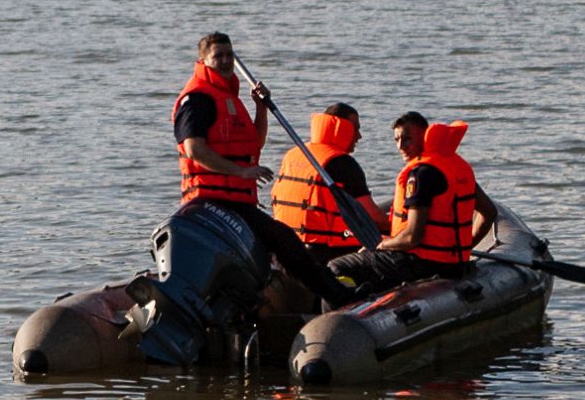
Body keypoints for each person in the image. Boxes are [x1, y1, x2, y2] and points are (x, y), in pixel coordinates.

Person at [172, 32, 348, 306]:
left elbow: (255, 143)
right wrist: (239, 172)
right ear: (203, 60)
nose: (226, 60)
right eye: (218, 56)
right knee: (283, 239)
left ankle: (320, 295)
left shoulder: (227, 95)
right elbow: (194, 148)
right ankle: (337, 296)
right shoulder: (197, 99)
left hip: (237, 199)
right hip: (211, 199)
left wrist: (260, 109)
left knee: (278, 242)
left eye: (229, 54)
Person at [326, 111, 498, 301]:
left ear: (425, 137)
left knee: (336, 267)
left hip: (420, 263)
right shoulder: (456, 166)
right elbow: (489, 213)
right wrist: (464, 249)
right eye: (397, 140)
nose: (401, 146)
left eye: (407, 139)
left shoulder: (421, 174)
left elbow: (412, 237)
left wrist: (381, 245)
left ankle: (342, 316)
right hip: (453, 263)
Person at [269, 102, 385, 265]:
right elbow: (373, 216)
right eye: (356, 129)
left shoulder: (295, 154)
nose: (359, 136)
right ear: (342, 129)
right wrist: (397, 227)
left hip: (291, 243)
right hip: (327, 251)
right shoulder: (342, 163)